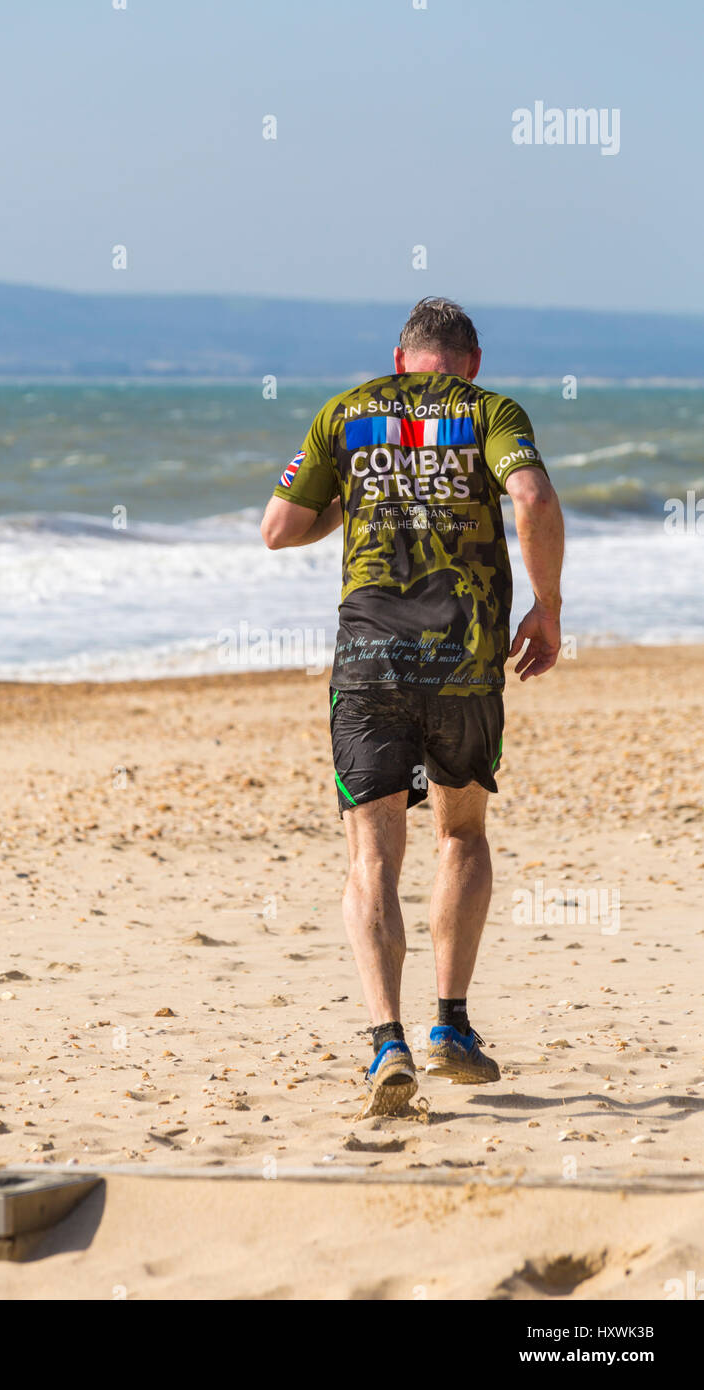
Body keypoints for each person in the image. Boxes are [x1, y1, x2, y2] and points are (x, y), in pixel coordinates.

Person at [260, 297, 565, 1117]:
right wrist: (548, 606)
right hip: (462, 661)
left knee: (371, 860)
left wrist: (349, 504)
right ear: (470, 361)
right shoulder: (488, 412)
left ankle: (385, 1041)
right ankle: (452, 1028)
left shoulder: (346, 412)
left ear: (401, 360)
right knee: (461, 833)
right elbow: (531, 499)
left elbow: (279, 528)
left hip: (367, 661)